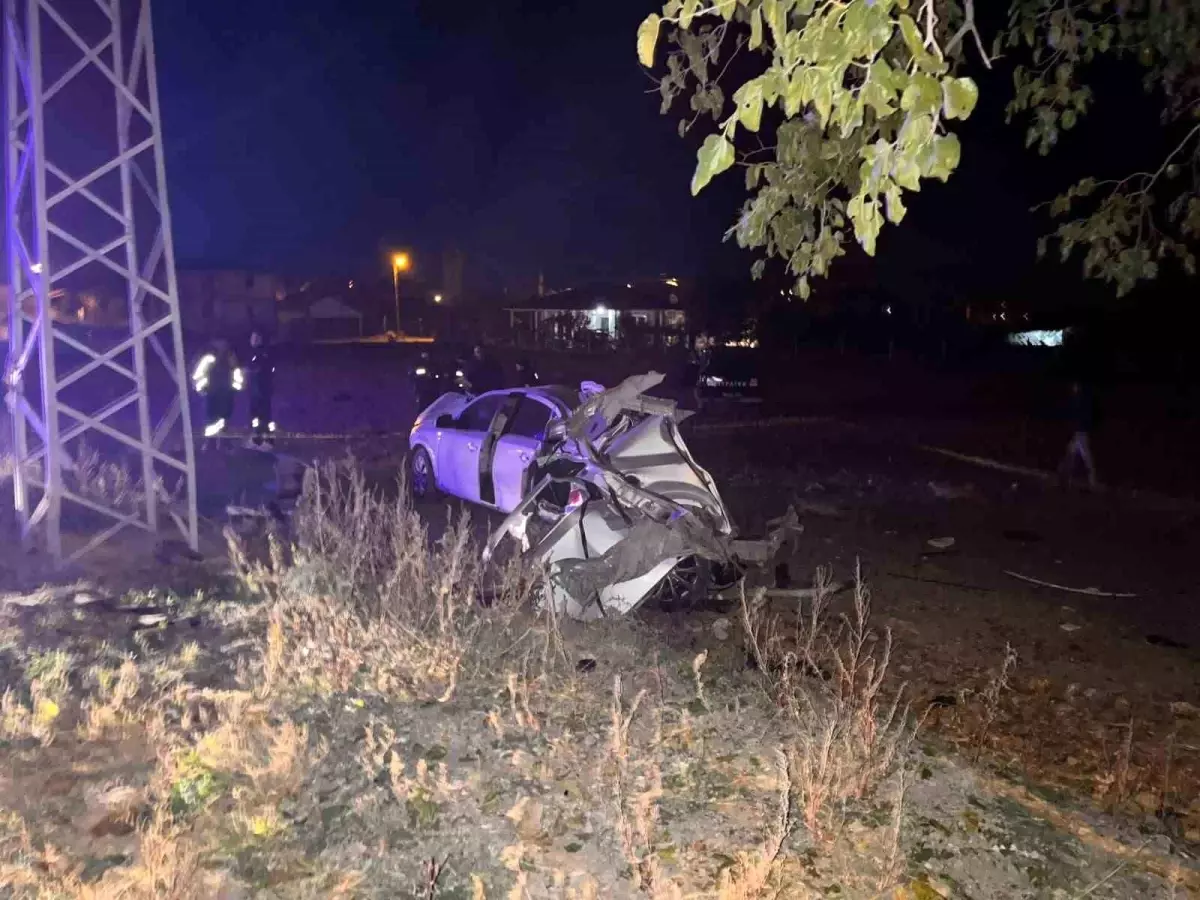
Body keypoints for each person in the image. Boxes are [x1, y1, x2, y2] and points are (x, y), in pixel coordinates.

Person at [192, 339, 242, 450]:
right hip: (212, 391)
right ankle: (211, 442)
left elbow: (236, 371)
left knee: (224, 416)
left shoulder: (230, 356)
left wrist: (235, 387)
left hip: (226, 391)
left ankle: (224, 442)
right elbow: (199, 372)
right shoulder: (208, 356)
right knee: (211, 417)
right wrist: (201, 387)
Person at [1059, 380, 1099, 489]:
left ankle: (1091, 481)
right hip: (1077, 433)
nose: (1073, 388)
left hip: (1080, 433)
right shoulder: (1077, 401)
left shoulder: (1079, 401)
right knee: (1071, 456)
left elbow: (1080, 417)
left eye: (1075, 386)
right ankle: (1066, 480)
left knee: (1084, 458)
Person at [246, 330, 276, 448]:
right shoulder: (254, 352)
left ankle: (267, 439)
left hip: (261, 390)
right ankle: (258, 437)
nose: (252, 341)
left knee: (264, 415)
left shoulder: (262, 353)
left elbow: (261, 369)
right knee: (257, 415)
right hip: (256, 390)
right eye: (252, 338)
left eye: (255, 338)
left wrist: (250, 370)